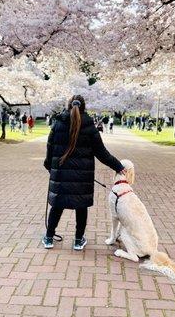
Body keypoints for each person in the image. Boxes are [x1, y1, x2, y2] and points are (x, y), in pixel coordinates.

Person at [43, 95, 125, 250]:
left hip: (60, 174)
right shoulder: (89, 126)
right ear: (84, 107)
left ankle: (48, 237)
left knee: (57, 205)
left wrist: (49, 166)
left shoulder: (58, 123)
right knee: (81, 207)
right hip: (82, 176)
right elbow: (102, 153)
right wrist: (118, 166)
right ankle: (78, 240)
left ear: (68, 106)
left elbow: (50, 148)